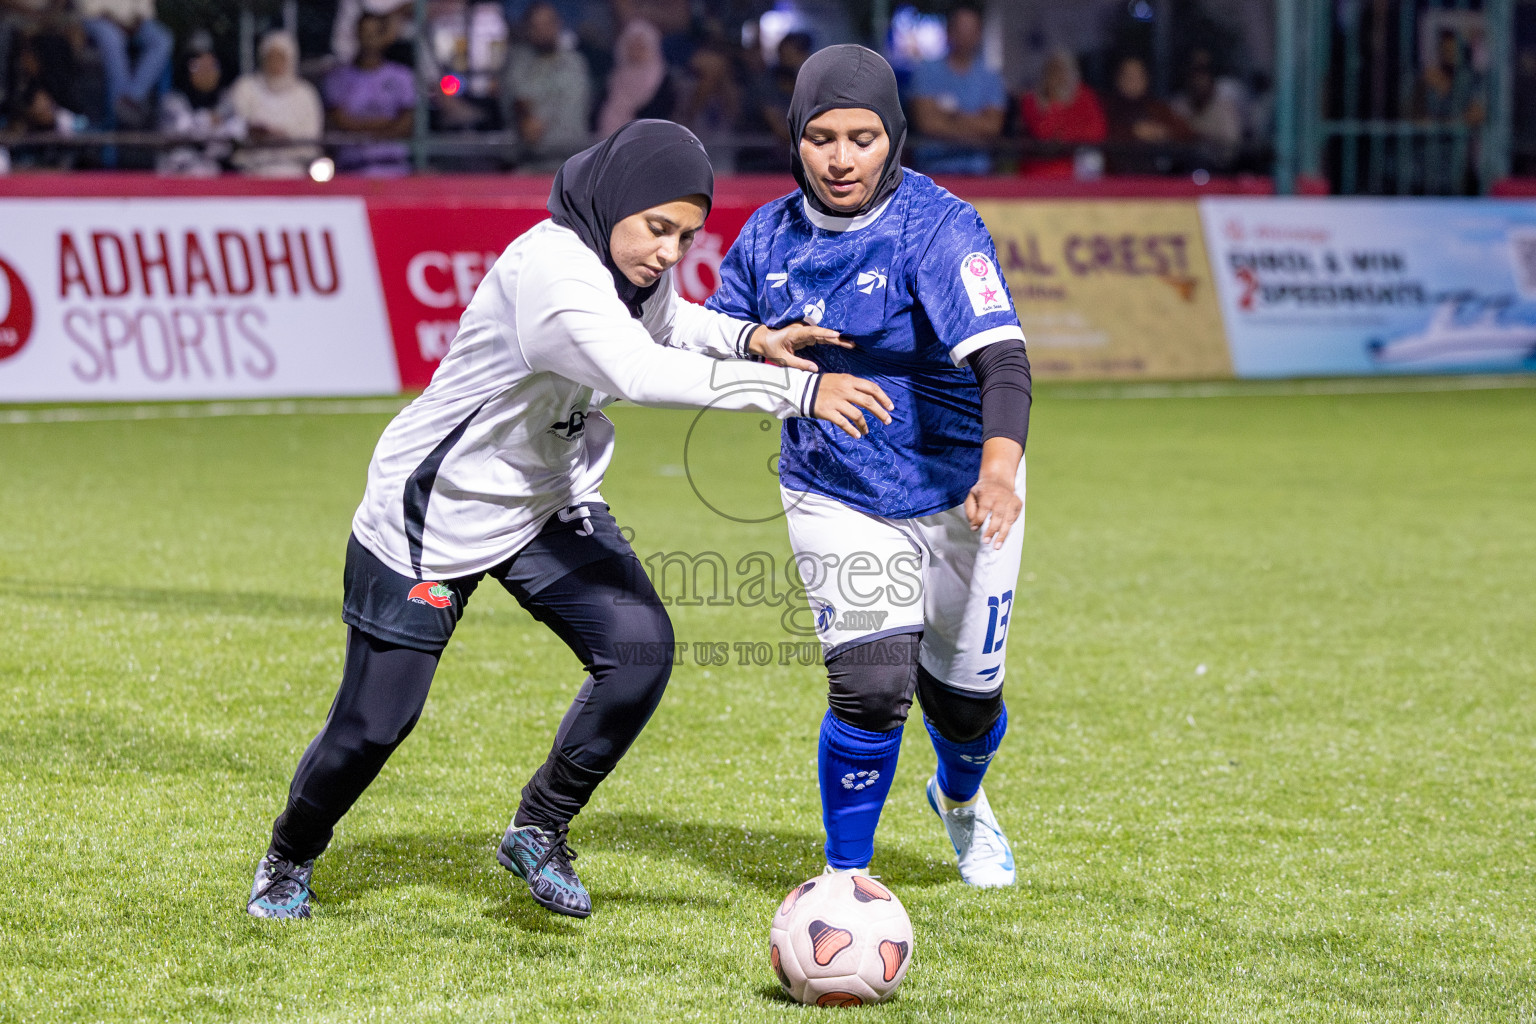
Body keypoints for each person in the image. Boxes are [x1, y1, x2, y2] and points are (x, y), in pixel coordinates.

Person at [246, 119, 894, 922]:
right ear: (616, 199)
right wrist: (797, 393)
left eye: (686, 234)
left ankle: (538, 828)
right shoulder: (552, 270)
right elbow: (639, 368)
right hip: (434, 512)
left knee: (639, 650)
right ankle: (289, 855)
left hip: (544, 501)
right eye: (659, 228)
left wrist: (753, 337)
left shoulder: (631, 266)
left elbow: (672, 321)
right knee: (376, 725)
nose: (669, 251)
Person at [705, 46, 1031, 887]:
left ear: (894, 138)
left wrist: (998, 471)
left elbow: (1004, 363)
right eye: (821, 138)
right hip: (833, 488)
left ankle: (961, 801)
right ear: (795, 140)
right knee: (873, 685)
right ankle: (843, 879)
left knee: (964, 707)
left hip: (963, 488)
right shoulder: (766, 237)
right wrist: (758, 356)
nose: (841, 158)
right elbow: (707, 347)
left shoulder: (939, 226)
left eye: (862, 137)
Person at [906, 2, 1005, 175]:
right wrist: (975, 127)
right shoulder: (927, 71)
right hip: (933, 171)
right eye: (960, 30)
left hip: (979, 173)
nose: (965, 36)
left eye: (971, 30)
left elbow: (993, 126)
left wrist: (952, 117)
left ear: (979, 34)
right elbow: (927, 123)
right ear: (949, 32)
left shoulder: (990, 77)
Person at [501, 1, 590, 171]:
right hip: (527, 164)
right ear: (527, 29)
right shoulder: (519, 63)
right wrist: (527, 118)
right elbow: (518, 98)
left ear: (558, 25)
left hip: (570, 164)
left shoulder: (574, 63)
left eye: (548, 23)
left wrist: (539, 121)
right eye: (536, 25)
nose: (543, 30)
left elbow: (571, 109)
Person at [324, 11, 415, 176]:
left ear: (384, 37)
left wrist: (362, 127)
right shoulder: (337, 78)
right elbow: (341, 122)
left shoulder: (402, 76)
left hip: (393, 168)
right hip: (351, 169)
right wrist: (386, 124)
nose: (369, 40)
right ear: (356, 35)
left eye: (375, 34)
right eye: (364, 33)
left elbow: (406, 125)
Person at [227, 31, 323, 178]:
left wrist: (283, 137)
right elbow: (235, 127)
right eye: (270, 57)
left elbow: (311, 142)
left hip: (294, 169)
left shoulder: (306, 94)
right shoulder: (245, 88)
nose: (275, 63)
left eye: (280, 58)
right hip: (251, 169)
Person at [75, 0, 171, 128]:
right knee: (114, 39)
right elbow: (88, 8)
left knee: (162, 40)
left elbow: (144, 9)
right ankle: (119, 101)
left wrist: (137, 19)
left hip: (132, 22)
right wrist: (117, 22)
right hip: (99, 18)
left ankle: (132, 97)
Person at [156, 30, 239, 177]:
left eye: (212, 66)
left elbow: (235, 132)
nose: (205, 72)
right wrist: (211, 120)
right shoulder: (172, 101)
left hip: (217, 180)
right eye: (197, 66)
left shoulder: (226, 100)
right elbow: (183, 129)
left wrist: (209, 126)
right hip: (177, 179)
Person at [1018, 48, 1106, 179]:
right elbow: (1043, 135)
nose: (1061, 76)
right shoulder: (1031, 100)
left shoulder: (1086, 96)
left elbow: (1098, 132)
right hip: (1040, 170)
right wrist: (1055, 102)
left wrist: (1065, 136)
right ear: (1046, 73)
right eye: (1055, 70)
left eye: (1065, 70)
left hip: (1077, 167)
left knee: (1092, 159)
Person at [1102, 54, 1192, 174]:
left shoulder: (1158, 108)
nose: (1134, 81)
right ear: (1118, 79)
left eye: (1139, 76)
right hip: (1117, 179)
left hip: (1156, 179)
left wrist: (1163, 132)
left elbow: (1188, 134)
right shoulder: (1106, 108)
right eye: (1129, 76)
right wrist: (1133, 132)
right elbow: (1099, 136)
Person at [594, 17, 672, 137]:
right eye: (631, 46)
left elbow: (661, 113)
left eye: (641, 46)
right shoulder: (614, 77)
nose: (636, 51)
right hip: (606, 139)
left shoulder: (663, 80)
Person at [1169, 48, 1242, 171]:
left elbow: (1233, 150)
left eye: (1203, 76)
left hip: (1217, 172)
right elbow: (1169, 146)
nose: (1199, 83)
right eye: (1195, 76)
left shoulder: (1224, 108)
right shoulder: (1177, 106)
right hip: (1182, 173)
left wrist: (1207, 141)